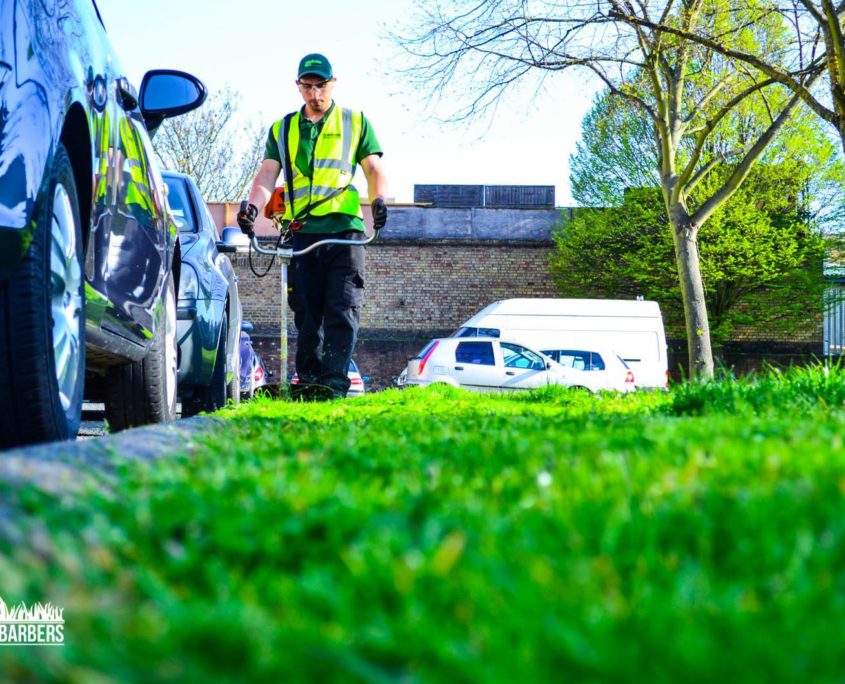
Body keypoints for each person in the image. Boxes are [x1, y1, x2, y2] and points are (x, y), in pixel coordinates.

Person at [237, 53, 388, 400]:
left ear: (333, 84)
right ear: (298, 87)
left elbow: (373, 168)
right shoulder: (283, 128)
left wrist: (378, 200)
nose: (315, 93)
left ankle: (333, 384)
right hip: (301, 232)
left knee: (343, 307)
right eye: (308, 86)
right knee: (306, 312)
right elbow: (266, 174)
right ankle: (309, 381)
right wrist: (252, 208)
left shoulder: (356, 122)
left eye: (321, 86)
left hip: (345, 231)